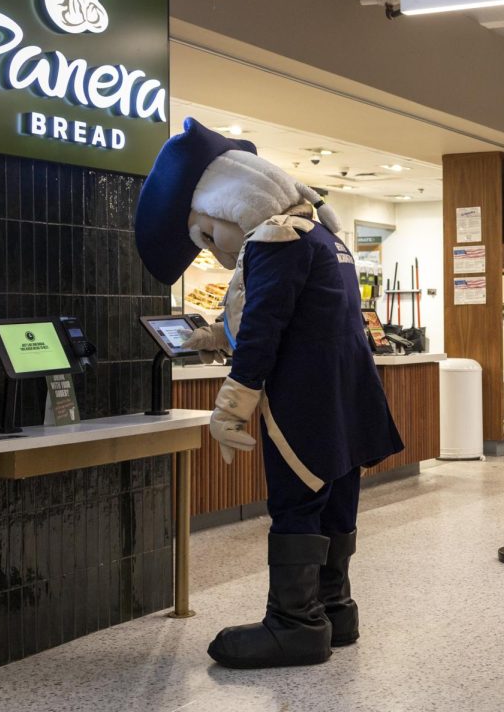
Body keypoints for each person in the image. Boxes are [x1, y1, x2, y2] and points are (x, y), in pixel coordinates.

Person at [135, 119, 404, 669]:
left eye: (207, 235)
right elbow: (294, 313)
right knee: (334, 495)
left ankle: (295, 623)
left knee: (296, 501)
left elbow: (265, 329)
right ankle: (334, 608)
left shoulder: (275, 240)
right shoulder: (323, 236)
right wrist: (214, 333)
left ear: (229, 206)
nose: (213, 251)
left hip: (301, 397)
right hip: (347, 393)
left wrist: (231, 406)